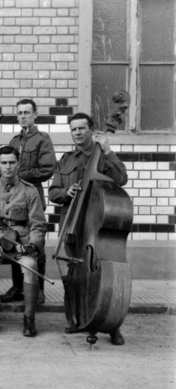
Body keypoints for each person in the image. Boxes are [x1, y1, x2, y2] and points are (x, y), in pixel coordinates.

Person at [49, 112, 128, 345]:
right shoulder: (65, 161)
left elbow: (121, 178)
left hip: (97, 229)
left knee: (107, 277)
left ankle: (112, 324)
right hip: (72, 226)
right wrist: (66, 192)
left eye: (82, 128)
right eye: (73, 129)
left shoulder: (102, 156)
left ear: (92, 130)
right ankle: (77, 319)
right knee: (73, 277)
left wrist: (108, 150)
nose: (77, 133)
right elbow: (53, 192)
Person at [0, 146, 47, 337]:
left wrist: (32, 244)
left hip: (22, 243)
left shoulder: (30, 190)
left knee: (30, 266)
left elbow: (38, 224)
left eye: (11, 162)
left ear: (18, 164)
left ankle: (29, 318)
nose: (8, 166)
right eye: (4, 163)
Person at [0, 99, 56, 304]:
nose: (23, 116)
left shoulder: (42, 139)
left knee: (35, 242)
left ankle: (38, 290)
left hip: (33, 197)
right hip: (14, 198)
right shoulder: (14, 141)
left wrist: (20, 175)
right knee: (15, 239)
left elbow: (47, 169)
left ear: (35, 115)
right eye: (20, 113)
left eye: (26, 112)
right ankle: (18, 287)